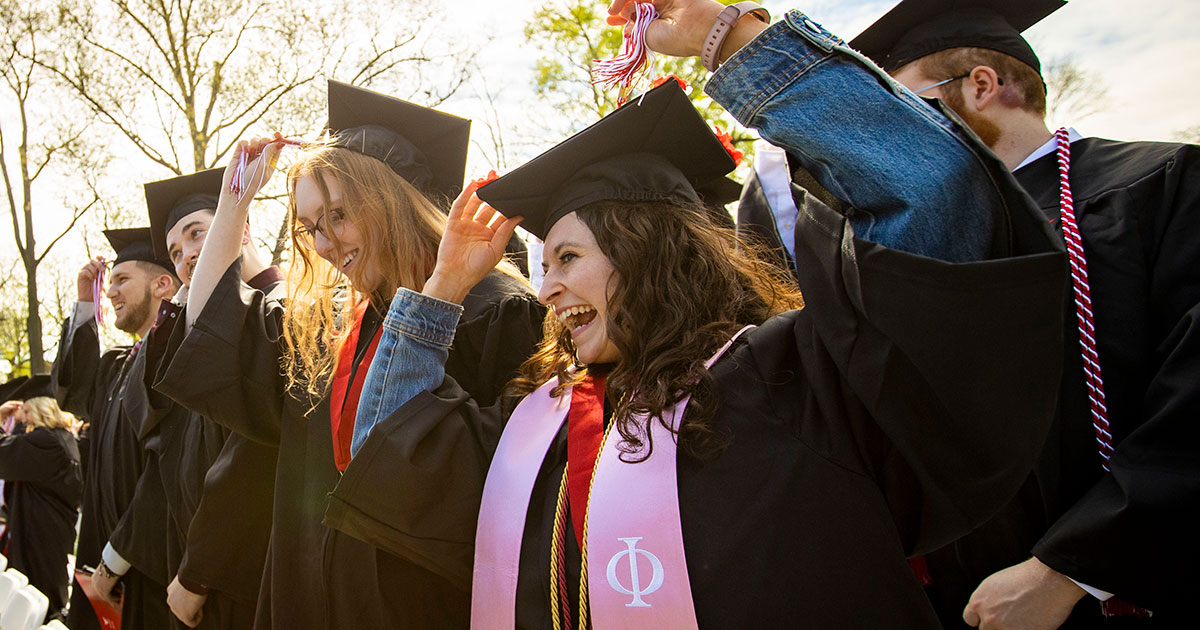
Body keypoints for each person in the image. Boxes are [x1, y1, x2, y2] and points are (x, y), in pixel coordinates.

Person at [322, 0, 1072, 625]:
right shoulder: (535, 429)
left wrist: (729, 37)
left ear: (651, 254)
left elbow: (934, 193)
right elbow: (392, 444)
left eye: (568, 258)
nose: (546, 289)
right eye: (544, 265)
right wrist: (444, 284)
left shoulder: (799, 380)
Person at [853, 0, 1200, 625]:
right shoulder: (918, 240)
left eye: (906, 107)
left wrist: (1072, 568)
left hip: (1131, 584)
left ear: (980, 86)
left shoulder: (1163, 181)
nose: (894, 136)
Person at [151, 80, 545, 629]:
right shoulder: (329, 328)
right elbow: (213, 324)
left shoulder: (494, 310)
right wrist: (234, 201)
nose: (323, 245)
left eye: (338, 215)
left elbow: (513, 500)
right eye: (311, 227)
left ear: (392, 198)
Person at [99, 167, 282, 629]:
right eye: (176, 253)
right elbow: (157, 430)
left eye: (198, 233)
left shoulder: (281, 312)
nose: (187, 257)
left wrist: (197, 573)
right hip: (203, 573)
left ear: (240, 227)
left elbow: (250, 463)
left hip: (246, 576)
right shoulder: (211, 332)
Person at [52, 227, 179, 630]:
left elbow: (165, 476)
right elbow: (71, 395)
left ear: (162, 284)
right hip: (100, 559)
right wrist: (83, 301)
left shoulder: (177, 363)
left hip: (148, 567)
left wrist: (117, 559)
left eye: (122, 279)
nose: (110, 292)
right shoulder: (116, 364)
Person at [0, 383, 82, 623]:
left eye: (27, 412)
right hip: (46, 534)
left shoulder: (46, 441)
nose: (23, 419)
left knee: (38, 603)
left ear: (40, 410)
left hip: (39, 537)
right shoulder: (62, 438)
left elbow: (3, 455)